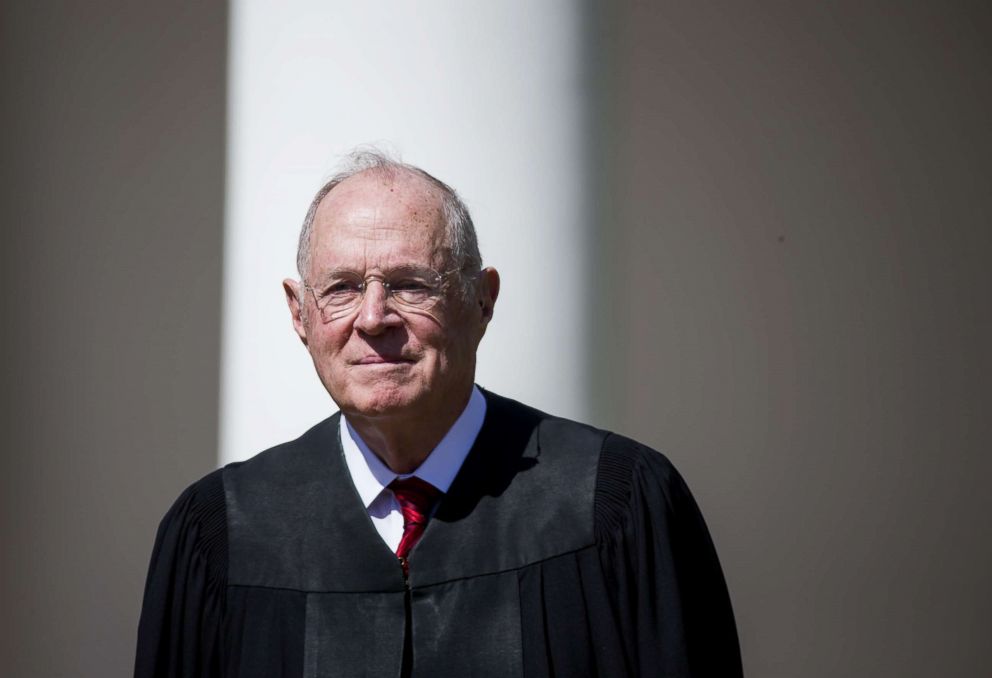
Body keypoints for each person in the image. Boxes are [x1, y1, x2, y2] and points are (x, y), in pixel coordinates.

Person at [134, 150, 743, 678]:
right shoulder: (222, 535)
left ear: (482, 300)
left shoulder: (613, 507)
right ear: (300, 313)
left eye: (410, 285)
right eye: (342, 287)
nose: (373, 318)